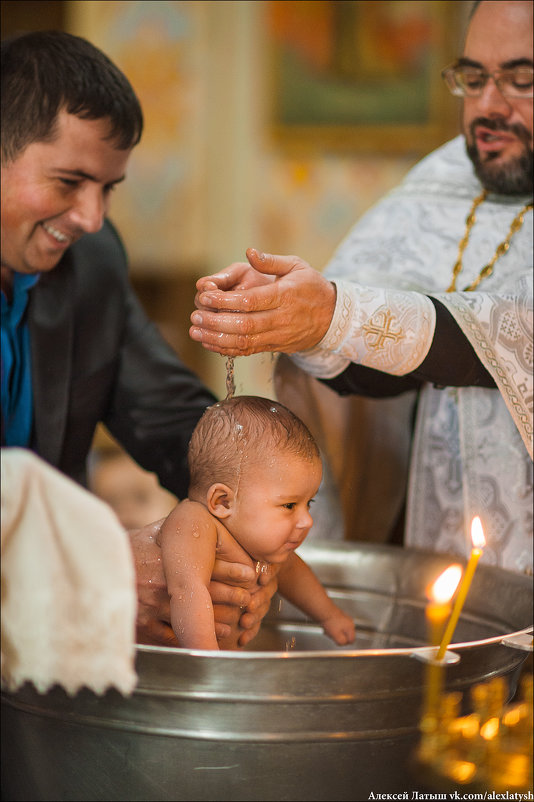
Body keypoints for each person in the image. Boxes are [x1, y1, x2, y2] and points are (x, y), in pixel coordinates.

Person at [188, 0, 533, 575]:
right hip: (442, 550)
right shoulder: (443, 180)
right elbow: (387, 367)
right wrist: (302, 317)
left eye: (522, 80)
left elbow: (515, 329)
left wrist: (336, 314)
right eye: (473, 79)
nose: (488, 106)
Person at [0, 30, 278, 649]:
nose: (93, 219)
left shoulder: (92, 262)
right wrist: (87, 569)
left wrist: (254, 521)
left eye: (108, 188)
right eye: (69, 182)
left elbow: (176, 419)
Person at [159, 396, 355, 649]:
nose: (307, 521)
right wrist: (208, 662)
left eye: (309, 503)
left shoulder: (261, 548)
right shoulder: (195, 523)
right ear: (223, 502)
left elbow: (293, 571)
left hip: (226, 670)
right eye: (289, 505)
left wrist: (330, 616)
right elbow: (187, 590)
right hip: (178, 674)